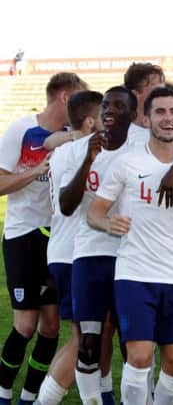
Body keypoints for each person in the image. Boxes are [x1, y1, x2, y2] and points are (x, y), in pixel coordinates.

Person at [87, 87, 173, 405]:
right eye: (160, 112)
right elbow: (94, 212)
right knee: (140, 356)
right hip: (134, 273)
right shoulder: (127, 163)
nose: (167, 118)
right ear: (147, 118)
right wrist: (107, 223)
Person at [0, 72, 88, 405]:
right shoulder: (21, 130)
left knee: (51, 327)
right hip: (23, 235)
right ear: (65, 97)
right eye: (78, 99)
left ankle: (30, 397)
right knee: (25, 324)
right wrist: (34, 172)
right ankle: (3, 393)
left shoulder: (72, 136)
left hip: (56, 240)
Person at [56, 86, 140, 405]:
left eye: (119, 106)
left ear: (132, 115)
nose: (109, 110)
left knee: (131, 342)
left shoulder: (141, 148)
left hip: (129, 255)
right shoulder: (82, 149)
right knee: (88, 344)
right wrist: (88, 161)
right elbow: (66, 205)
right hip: (89, 254)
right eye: (106, 104)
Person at [35, 91, 106, 405]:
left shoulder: (65, 148)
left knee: (89, 335)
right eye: (106, 115)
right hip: (74, 252)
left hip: (66, 249)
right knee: (83, 338)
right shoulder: (81, 151)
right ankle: (44, 401)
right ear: (91, 121)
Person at [123, 62, 166, 142]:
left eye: (164, 89)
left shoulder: (172, 130)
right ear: (135, 94)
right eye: (156, 91)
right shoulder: (122, 136)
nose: (164, 95)